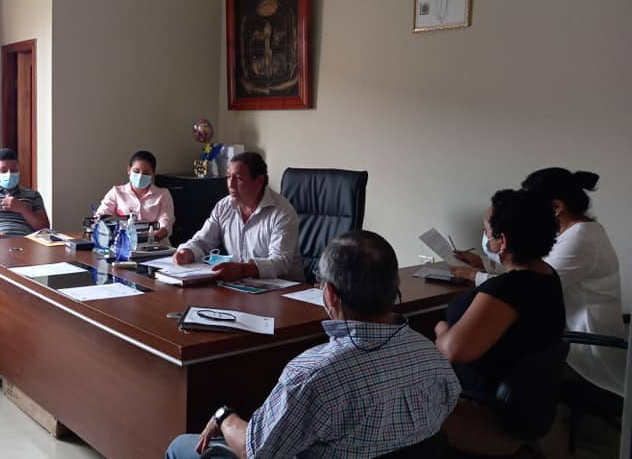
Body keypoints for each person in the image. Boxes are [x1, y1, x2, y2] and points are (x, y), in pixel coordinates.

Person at [166, 231, 461, 458]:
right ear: (395, 286)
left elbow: (255, 452)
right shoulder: (432, 356)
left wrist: (224, 417)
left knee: (181, 446)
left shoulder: (312, 374)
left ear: (329, 294)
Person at [452, 168, 626, 399]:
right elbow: (530, 269)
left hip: (584, 347)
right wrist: (485, 263)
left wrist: (473, 275)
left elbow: (525, 285)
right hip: (567, 336)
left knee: (488, 350)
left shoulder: (580, 238)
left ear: (556, 207)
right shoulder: (579, 231)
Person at [435, 189, 565, 455]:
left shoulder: (506, 291)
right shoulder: (546, 275)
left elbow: (451, 351)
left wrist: (440, 328)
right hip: (525, 405)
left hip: (483, 410)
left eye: (486, 231)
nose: (484, 237)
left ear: (502, 240)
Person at [173, 152, 302, 281]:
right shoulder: (224, 206)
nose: (231, 184)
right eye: (229, 177)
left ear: (259, 181)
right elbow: (202, 241)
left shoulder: (282, 212)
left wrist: (243, 270)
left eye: (239, 178)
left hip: (285, 287)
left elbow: (280, 262)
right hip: (242, 284)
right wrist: (187, 252)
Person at [94, 150, 174, 243]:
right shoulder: (116, 192)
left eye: (146, 173)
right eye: (136, 171)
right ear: (129, 170)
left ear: (152, 174)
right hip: (123, 243)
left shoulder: (163, 194)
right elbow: (101, 215)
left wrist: (153, 237)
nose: (140, 176)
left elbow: (166, 222)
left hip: (156, 244)